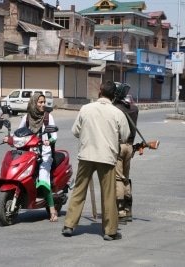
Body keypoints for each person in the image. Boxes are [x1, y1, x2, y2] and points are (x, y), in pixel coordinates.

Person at [62, 80, 130, 241]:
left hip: (86, 155)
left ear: (100, 91)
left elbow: (75, 131)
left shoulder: (86, 109)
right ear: (114, 96)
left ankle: (69, 225)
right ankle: (110, 231)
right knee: (108, 194)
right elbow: (125, 136)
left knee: (79, 190)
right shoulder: (117, 113)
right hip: (107, 157)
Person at [3, 93, 58, 222]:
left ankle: (52, 210)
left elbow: (54, 136)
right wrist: (9, 138)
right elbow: (18, 133)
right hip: (27, 152)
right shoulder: (27, 118)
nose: (42, 104)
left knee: (43, 179)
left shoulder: (48, 117)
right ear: (34, 103)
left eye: (44, 102)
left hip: (44, 153)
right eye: (40, 102)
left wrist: (48, 141)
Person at [113, 83, 139, 225]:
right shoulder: (134, 109)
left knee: (118, 179)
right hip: (130, 146)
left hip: (119, 146)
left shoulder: (115, 109)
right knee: (126, 178)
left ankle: (121, 211)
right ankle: (128, 210)